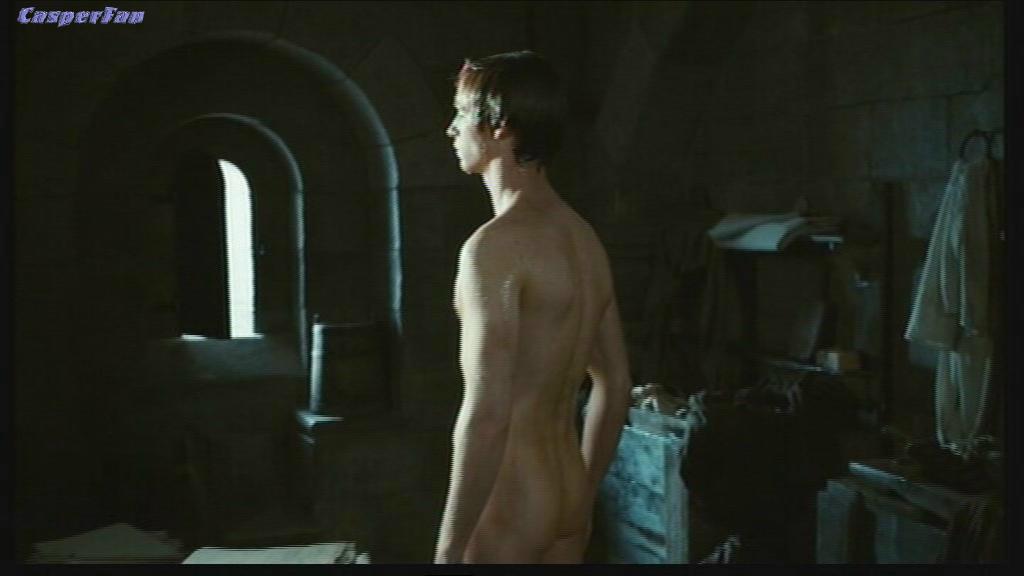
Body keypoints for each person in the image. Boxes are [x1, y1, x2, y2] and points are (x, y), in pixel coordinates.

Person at [433, 50, 632, 564]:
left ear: (499, 126)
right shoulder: (583, 239)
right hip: (570, 485)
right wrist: (584, 493)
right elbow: (615, 382)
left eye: (462, 114)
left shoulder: (494, 247)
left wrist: (448, 549)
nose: (451, 130)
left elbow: (487, 413)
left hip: (513, 495)